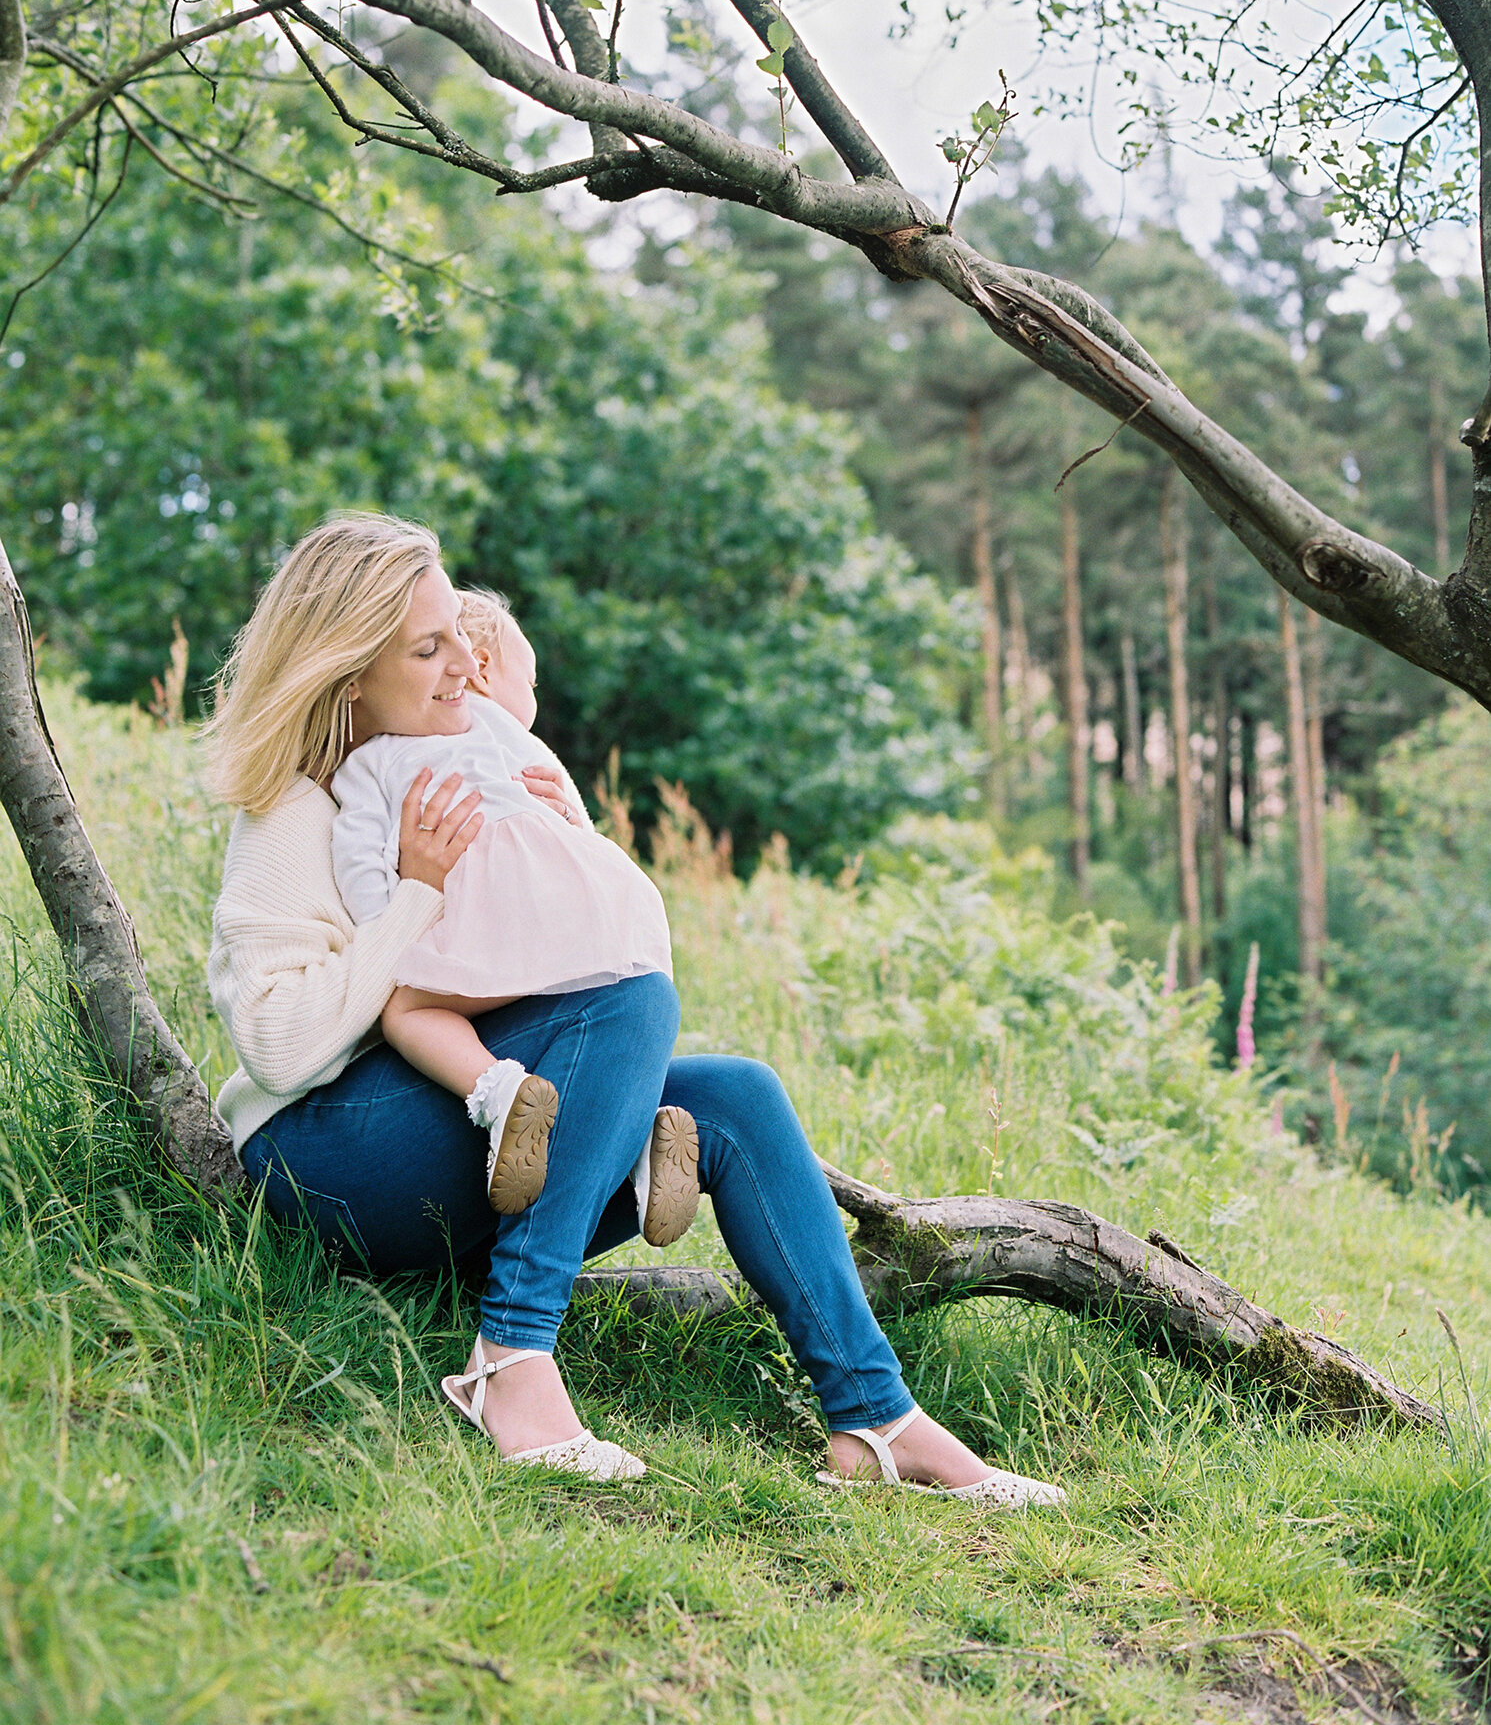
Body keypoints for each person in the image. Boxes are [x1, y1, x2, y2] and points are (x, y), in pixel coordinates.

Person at [205, 512, 1066, 1501]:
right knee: (628, 997)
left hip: (456, 1106)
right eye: (428, 646)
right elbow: (280, 1048)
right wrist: (418, 892)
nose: (461, 666)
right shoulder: (293, 805)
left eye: (461, 635)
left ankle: (877, 1419)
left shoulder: (442, 761)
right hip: (323, 1154)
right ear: (351, 669)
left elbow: (525, 955)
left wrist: (549, 838)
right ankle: (508, 1356)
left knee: (732, 1094)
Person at [329, 582, 696, 1242]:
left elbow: (359, 854)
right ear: (487, 669)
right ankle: (639, 1142)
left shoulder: (375, 755)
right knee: (612, 1002)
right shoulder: (508, 733)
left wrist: (385, 922)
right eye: (532, 681)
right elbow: (565, 821)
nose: (533, 701)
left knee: (411, 1012)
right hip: (589, 906)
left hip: (482, 907)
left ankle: (497, 1094)